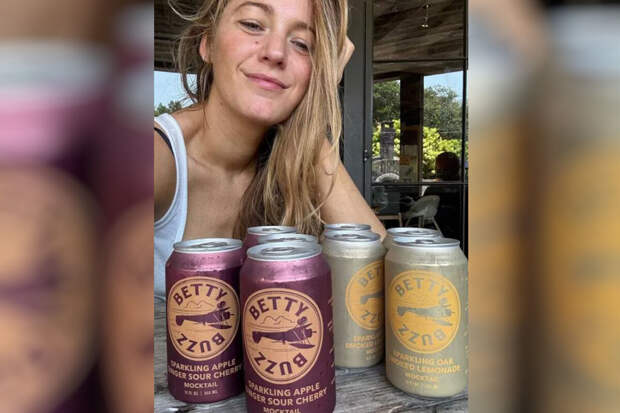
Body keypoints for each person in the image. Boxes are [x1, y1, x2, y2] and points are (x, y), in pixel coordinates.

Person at [154, 0, 386, 298]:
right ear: (208, 43)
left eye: (302, 44)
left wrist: (313, 115)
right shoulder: (152, 157)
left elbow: (387, 293)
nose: (275, 53)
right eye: (252, 25)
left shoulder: (287, 167)